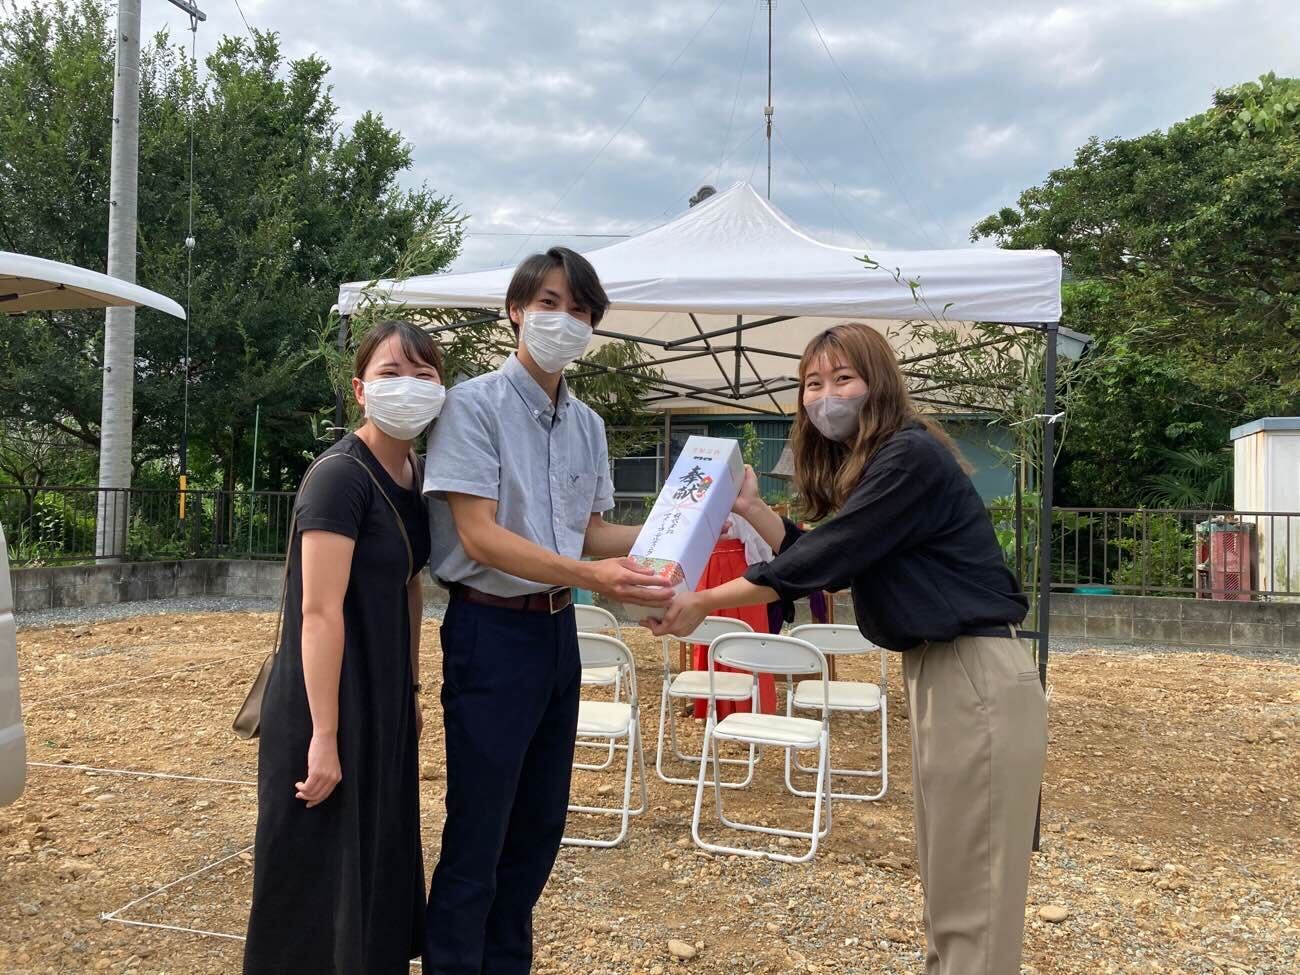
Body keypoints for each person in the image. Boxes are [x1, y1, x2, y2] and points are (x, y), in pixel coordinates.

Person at [648, 322, 1048, 975]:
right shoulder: (889, 466)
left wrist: (703, 601)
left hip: (974, 674)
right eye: (812, 383)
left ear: (878, 383)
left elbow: (831, 554)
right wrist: (751, 509)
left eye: (842, 378)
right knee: (951, 882)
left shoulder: (910, 457)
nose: (826, 395)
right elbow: (826, 549)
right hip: (943, 672)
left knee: (973, 892)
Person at [422, 246, 673, 974]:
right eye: (551, 303)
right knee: (479, 832)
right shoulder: (472, 405)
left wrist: (686, 527)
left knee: (537, 830)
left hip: (558, 634)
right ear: (515, 310)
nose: (565, 320)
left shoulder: (587, 424)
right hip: (490, 630)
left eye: (581, 309)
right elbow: (480, 534)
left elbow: (594, 531)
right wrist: (595, 571)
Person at [244, 320, 445, 975]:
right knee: (315, 875)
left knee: (376, 863)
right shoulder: (340, 478)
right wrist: (324, 734)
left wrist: (412, 690)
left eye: (424, 373)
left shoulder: (415, 475)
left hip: (382, 695)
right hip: (323, 701)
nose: (409, 386)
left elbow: (411, 588)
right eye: (391, 373)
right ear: (360, 389)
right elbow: (319, 611)